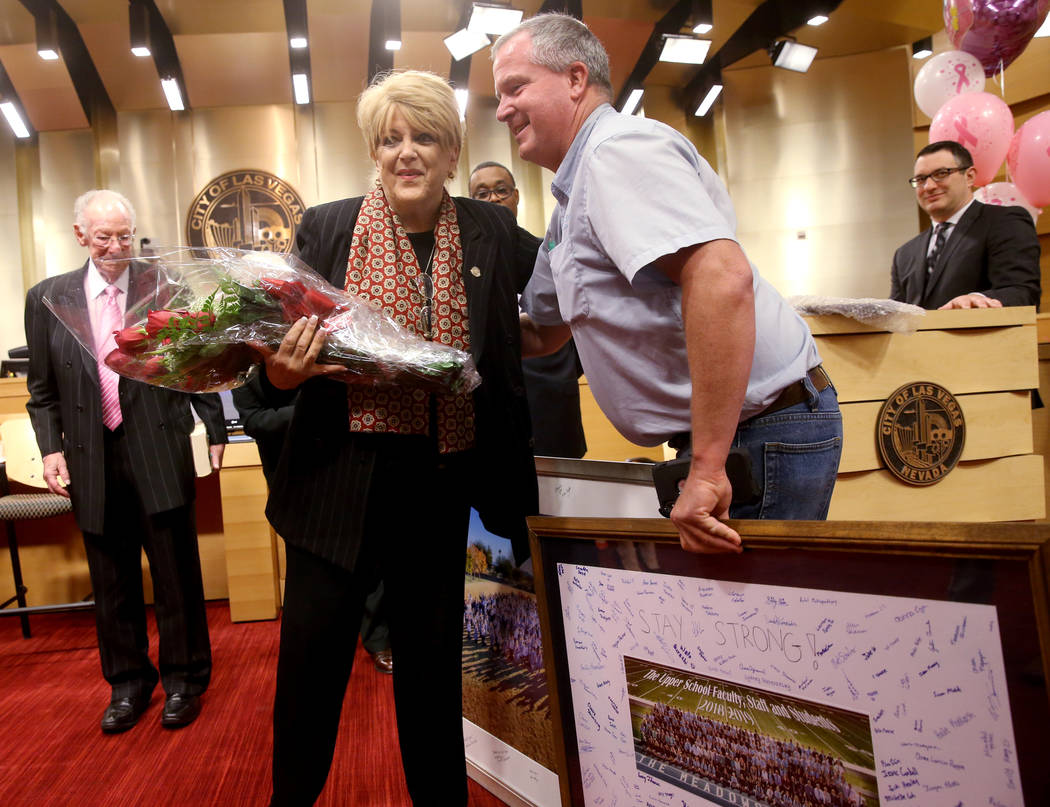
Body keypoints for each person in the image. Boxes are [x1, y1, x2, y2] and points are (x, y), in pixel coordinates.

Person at [254, 70, 538, 806]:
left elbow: (574, 280)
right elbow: (265, 360)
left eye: (425, 137)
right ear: (374, 151)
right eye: (391, 138)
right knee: (311, 678)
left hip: (439, 484)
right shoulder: (326, 226)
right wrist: (283, 377)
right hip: (333, 485)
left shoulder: (490, 229)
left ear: (452, 153)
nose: (406, 152)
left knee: (431, 679)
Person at [491, 13, 843, 555]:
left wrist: (706, 469)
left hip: (762, 430)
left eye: (516, 87)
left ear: (575, 79)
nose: (501, 109)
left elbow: (722, 278)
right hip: (737, 434)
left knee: (758, 629)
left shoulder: (617, 153)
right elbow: (542, 330)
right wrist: (444, 341)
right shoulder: (570, 199)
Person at [24, 189, 227, 733]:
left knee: (175, 573)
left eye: (123, 236)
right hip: (92, 455)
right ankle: (128, 684)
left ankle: (184, 682)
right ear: (80, 236)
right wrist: (50, 448)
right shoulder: (47, 298)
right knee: (111, 579)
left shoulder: (167, 287)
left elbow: (198, 362)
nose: (115, 247)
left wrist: (214, 426)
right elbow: (41, 390)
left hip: (158, 446)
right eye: (103, 236)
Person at [231, 374, 393, 674]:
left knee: (372, 550)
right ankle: (342, 641)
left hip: (353, 456)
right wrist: (319, 409)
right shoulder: (247, 358)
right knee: (316, 576)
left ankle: (379, 638)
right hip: (298, 478)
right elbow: (254, 421)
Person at [468, 160, 587, 458]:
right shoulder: (463, 265)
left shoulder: (546, 252)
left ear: (517, 196)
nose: (493, 198)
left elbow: (577, 316)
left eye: (501, 190)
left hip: (553, 404)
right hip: (492, 407)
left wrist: (561, 370)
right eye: (482, 194)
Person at [891, 140, 1041, 310]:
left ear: (969, 176)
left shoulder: (1005, 222)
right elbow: (896, 317)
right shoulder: (904, 254)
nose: (929, 186)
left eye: (941, 173)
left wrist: (978, 299)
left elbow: (1023, 292)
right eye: (921, 179)